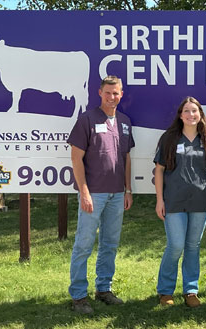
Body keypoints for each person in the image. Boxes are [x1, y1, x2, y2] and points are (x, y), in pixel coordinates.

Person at [67, 75, 135, 314]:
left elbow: (126, 158)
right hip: (93, 193)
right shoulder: (86, 119)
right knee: (84, 244)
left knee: (110, 243)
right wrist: (83, 190)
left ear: (121, 95)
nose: (112, 97)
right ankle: (78, 296)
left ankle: (103, 289)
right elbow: (76, 157)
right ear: (100, 93)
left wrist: (127, 189)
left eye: (116, 93)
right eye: (108, 93)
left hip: (117, 194)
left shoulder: (125, 122)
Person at [153, 97, 206, 308]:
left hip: (200, 201)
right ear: (180, 115)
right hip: (173, 200)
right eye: (187, 111)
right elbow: (159, 170)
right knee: (176, 246)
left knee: (193, 246)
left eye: (195, 111)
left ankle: (191, 290)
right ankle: (165, 291)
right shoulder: (170, 138)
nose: (191, 115)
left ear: (200, 115)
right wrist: (159, 200)